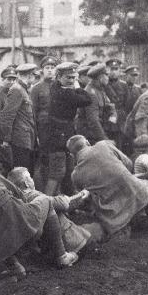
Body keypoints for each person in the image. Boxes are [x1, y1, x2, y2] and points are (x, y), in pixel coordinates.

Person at [67, 135, 148, 239]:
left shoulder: (75, 175)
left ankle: (123, 227)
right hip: (136, 194)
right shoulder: (103, 145)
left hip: (113, 212)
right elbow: (128, 164)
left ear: (72, 155)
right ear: (87, 143)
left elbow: (85, 197)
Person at [7, 166, 96, 252]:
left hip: (41, 241)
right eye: (30, 177)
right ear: (26, 183)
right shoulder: (34, 196)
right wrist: (81, 195)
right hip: (67, 240)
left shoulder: (18, 200)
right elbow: (62, 204)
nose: (32, 179)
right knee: (95, 235)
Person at [45, 62, 91, 196]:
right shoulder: (65, 93)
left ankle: (69, 203)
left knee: (68, 171)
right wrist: (78, 87)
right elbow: (87, 100)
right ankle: (46, 204)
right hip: (59, 137)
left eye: (73, 77)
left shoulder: (55, 87)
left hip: (63, 133)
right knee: (57, 172)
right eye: (68, 77)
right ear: (58, 77)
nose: (71, 80)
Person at [0, 62, 38, 172]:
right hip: (20, 138)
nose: (35, 79)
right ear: (29, 75)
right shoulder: (17, 90)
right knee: (21, 172)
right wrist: (7, 138)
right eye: (34, 76)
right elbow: (6, 116)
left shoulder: (23, 89)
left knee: (27, 170)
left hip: (27, 137)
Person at [30, 55, 58, 191]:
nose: (50, 70)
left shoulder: (61, 86)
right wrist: (36, 134)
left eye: (53, 68)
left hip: (59, 129)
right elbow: (33, 113)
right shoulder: (36, 89)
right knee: (45, 158)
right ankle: (45, 189)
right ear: (42, 70)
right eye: (47, 68)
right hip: (44, 129)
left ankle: (58, 190)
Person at [75, 63, 116, 144]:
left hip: (96, 133)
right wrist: (105, 139)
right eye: (106, 75)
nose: (108, 78)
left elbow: (110, 105)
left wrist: (113, 114)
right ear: (100, 78)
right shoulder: (90, 93)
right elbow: (93, 121)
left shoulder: (100, 89)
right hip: (90, 136)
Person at [0, 66, 18, 172]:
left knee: (14, 164)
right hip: (2, 136)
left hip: (12, 135)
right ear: (2, 80)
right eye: (8, 79)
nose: (11, 82)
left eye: (13, 79)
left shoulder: (13, 94)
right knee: (8, 165)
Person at [103, 58, 129, 147]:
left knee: (119, 145)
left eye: (116, 69)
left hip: (120, 122)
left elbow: (127, 105)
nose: (113, 72)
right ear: (107, 70)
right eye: (111, 69)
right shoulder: (104, 84)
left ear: (119, 71)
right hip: (106, 120)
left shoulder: (124, 85)